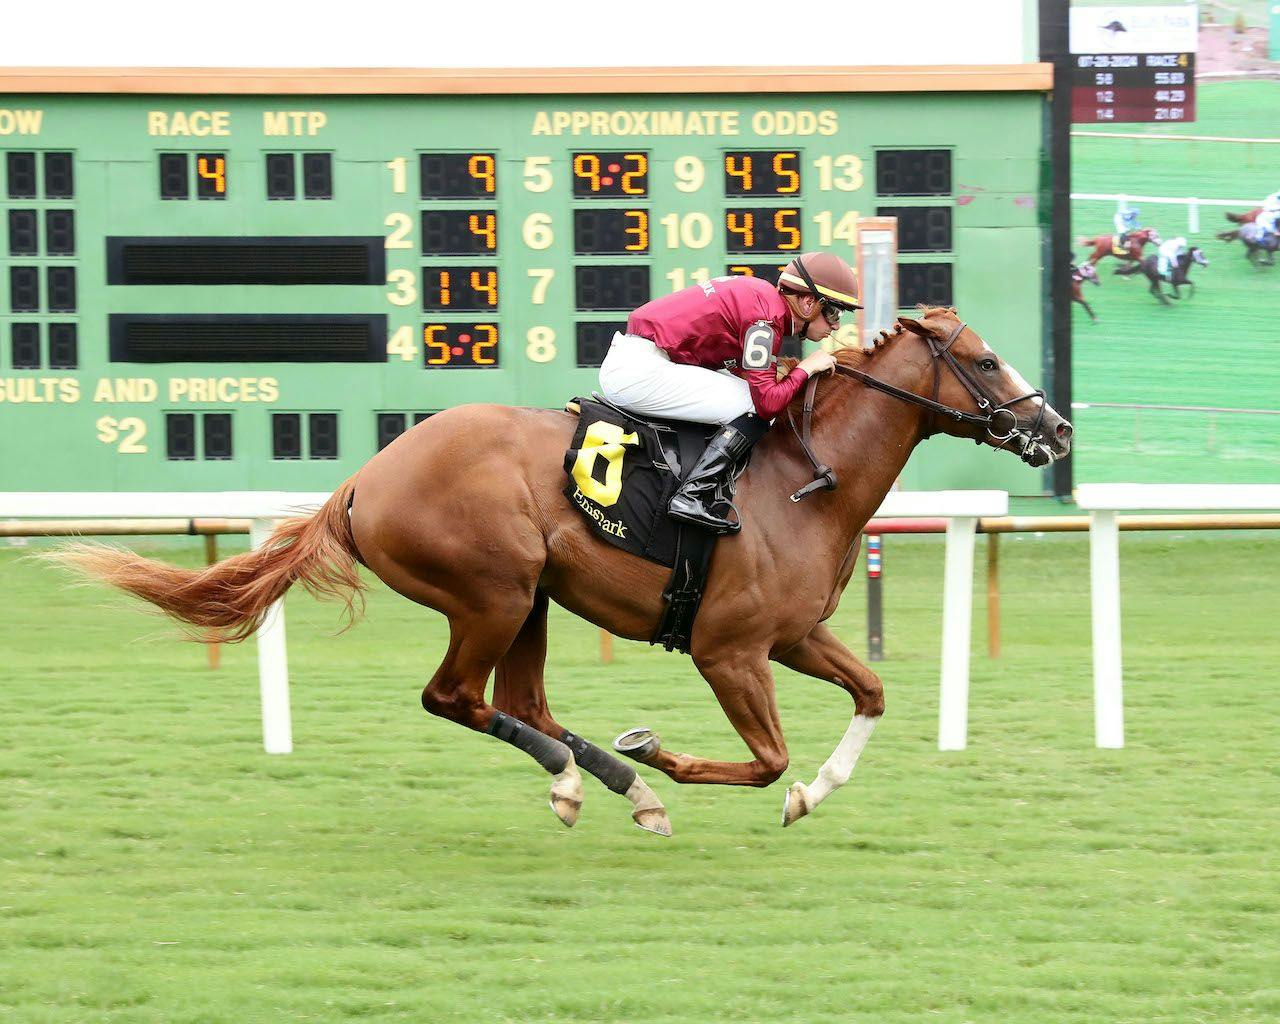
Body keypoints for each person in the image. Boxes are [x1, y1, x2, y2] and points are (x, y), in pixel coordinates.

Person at [598, 252, 860, 533]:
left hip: (641, 360)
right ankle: (692, 494)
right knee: (753, 405)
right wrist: (806, 369)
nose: (836, 325)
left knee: (745, 394)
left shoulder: (762, 301)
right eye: (833, 312)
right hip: (640, 369)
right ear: (808, 303)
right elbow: (767, 404)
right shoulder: (766, 317)